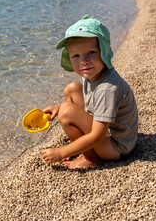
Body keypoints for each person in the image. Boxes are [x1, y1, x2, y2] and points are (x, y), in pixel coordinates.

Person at [41, 15, 138, 169]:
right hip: (105, 131)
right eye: (76, 56)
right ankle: (82, 146)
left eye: (91, 52)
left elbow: (98, 135)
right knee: (72, 89)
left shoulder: (107, 89)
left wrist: (61, 152)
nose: (83, 61)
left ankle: (91, 159)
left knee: (67, 112)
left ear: (104, 51)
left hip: (117, 147)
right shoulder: (95, 73)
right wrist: (57, 107)